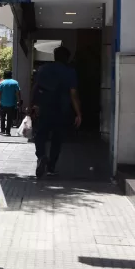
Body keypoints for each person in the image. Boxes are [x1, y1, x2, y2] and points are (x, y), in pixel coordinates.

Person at [31, 46, 81, 178]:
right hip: (62, 109)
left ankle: (41, 155)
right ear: (67, 58)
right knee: (57, 139)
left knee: (40, 134)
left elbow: (36, 87)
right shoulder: (70, 72)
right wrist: (78, 113)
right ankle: (51, 166)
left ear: (54, 56)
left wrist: (33, 105)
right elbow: (73, 94)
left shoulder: (43, 69)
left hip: (44, 107)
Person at [0, 70, 20, 136]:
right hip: (12, 103)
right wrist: (19, 101)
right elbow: (18, 93)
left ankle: (2, 130)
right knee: (9, 118)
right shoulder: (15, 83)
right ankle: (8, 131)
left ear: (4, 75)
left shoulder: (2, 83)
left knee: (2, 118)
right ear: (11, 75)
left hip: (3, 103)